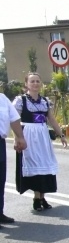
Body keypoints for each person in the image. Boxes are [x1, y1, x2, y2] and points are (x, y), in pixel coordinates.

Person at [14, 72, 67, 212]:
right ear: (26, 84)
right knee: (33, 164)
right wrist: (17, 138)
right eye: (32, 81)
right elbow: (15, 121)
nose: (35, 84)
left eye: (37, 81)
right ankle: (37, 198)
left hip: (42, 135)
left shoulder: (44, 101)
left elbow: (52, 119)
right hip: (28, 135)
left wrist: (61, 135)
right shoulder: (21, 101)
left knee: (44, 164)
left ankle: (41, 197)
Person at [0, 93, 27, 226]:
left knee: (0, 180)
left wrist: (20, 137)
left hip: (0, 142)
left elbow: (14, 118)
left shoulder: (2, 99)